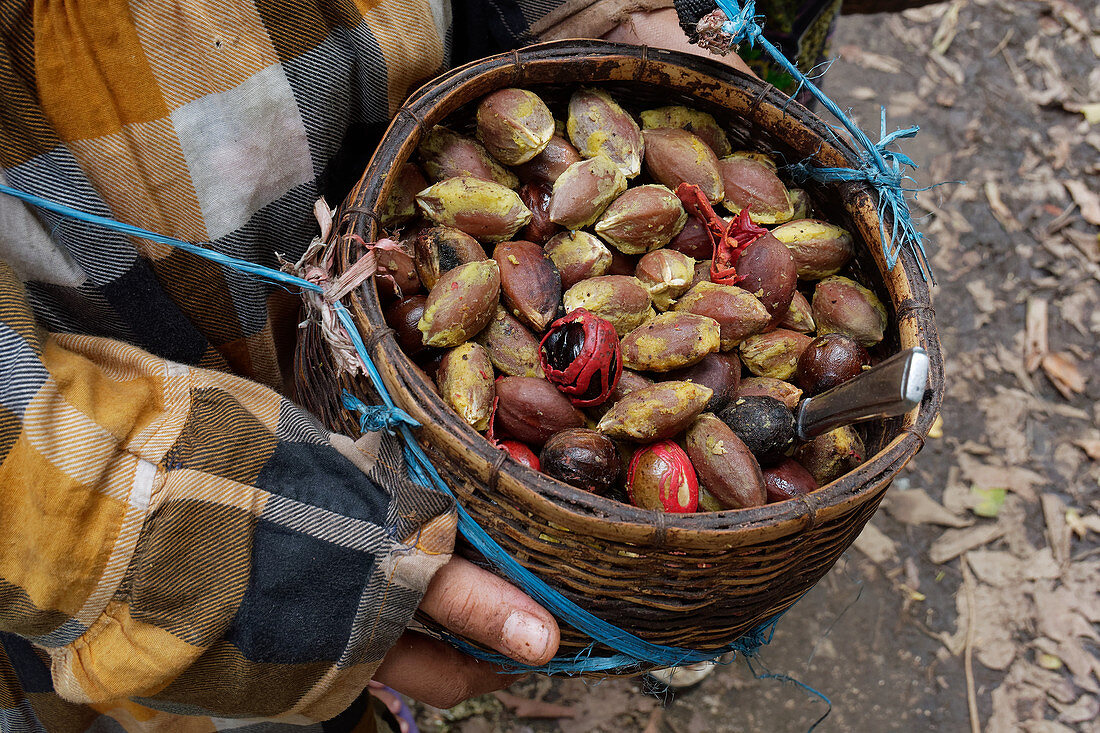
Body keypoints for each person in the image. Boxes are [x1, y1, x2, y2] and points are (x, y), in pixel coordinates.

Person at [0, 0, 865, 730]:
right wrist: (213, 556)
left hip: (381, 172)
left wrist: (590, 22)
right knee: (190, 688)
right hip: (95, 440)